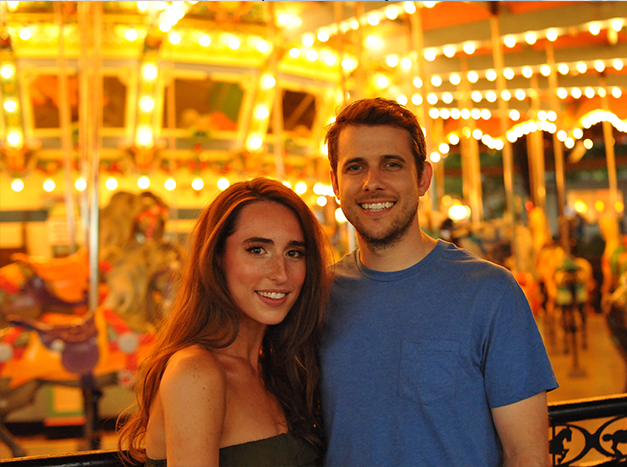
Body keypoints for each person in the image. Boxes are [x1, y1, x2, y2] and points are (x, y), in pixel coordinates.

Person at [321, 97, 558, 467]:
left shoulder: (490, 292)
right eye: (355, 167)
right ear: (335, 184)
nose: (372, 183)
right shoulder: (318, 297)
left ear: (422, 179)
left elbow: (525, 453)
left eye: (391, 164)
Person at [118, 177, 331, 467]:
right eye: (257, 250)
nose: (281, 273)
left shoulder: (278, 368)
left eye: (294, 253)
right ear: (217, 257)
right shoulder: (196, 372)